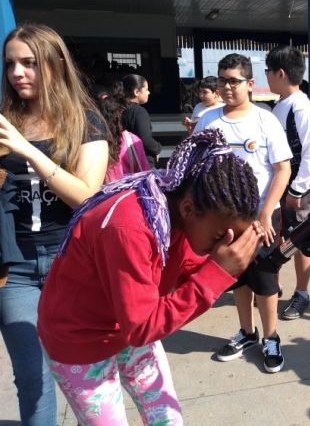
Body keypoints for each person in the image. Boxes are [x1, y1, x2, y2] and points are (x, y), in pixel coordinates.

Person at [37, 129, 263, 425]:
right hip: (80, 338)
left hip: (130, 322)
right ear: (188, 208)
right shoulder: (130, 226)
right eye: (221, 235)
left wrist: (232, 262)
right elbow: (143, 326)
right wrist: (216, 275)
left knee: (167, 419)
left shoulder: (180, 212)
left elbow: (185, 276)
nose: (224, 243)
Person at [0, 24, 109, 426]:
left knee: (89, 378)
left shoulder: (85, 122)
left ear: (54, 64)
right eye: (10, 63)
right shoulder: (4, 119)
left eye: (29, 63)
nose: (17, 73)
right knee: (33, 380)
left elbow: (86, 196)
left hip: (75, 265)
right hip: (17, 270)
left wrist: (27, 150)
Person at [193, 53, 292, 373]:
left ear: (250, 84)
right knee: (236, 280)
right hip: (225, 219)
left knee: (265, 283)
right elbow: (196, 165)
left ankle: (271, 337)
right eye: (221, 80)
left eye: (233, 81)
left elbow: (282, 170)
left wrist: (265, 215)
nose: (226, 87)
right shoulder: (209, 120)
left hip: (262, 219)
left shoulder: (265, 120)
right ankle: (247, 333)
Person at [265, 46, 310, 320]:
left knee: (302, 238)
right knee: (277, 236)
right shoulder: (280, 104)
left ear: (280, 73)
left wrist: (298, 189)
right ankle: (272, 287)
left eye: (267, 71)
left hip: (299, 187)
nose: (266, 77)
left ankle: (302, 293)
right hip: (281, 184)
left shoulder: (301, 107)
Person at [113, 74, 162, 168]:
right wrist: (157, 148)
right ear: (136, 92)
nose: (149, 92)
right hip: (140, 163)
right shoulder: (138, 112)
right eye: (146, 89)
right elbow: (145, 140)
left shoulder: (116, 109)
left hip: (122, 163)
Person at [100, 94, 151, 182]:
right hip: (126, 192)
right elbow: (144, 172)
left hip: (101, 192)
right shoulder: (132, 140)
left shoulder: (94, 142)